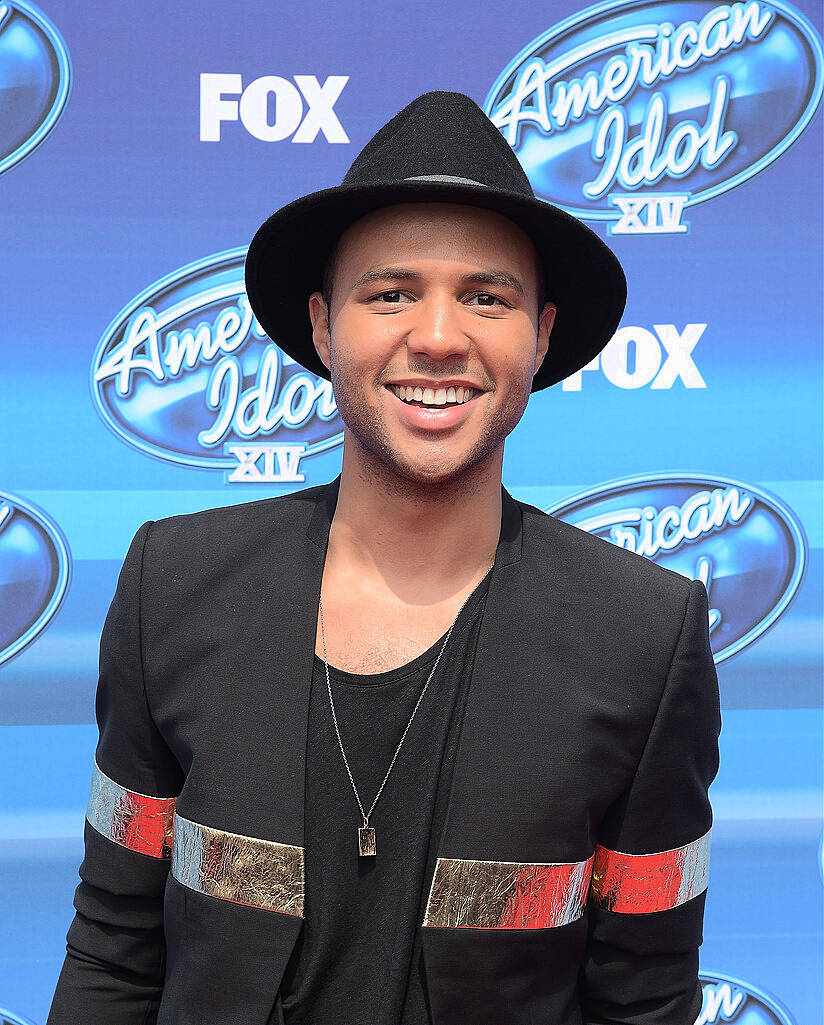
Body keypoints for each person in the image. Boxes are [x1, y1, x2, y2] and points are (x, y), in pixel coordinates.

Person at [47, 91, 721, 1025]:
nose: (439, 337)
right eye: (390, 292)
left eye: (486, 297)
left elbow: (644, 999)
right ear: (323, 328)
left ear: (542, 335)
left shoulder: (646, 639)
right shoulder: (175, 586)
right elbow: (114, 952)